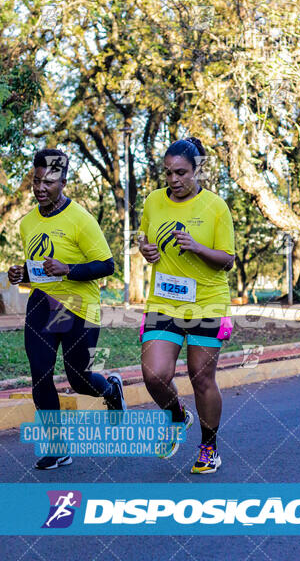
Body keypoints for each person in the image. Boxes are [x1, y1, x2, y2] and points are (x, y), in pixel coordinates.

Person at [8, 149, 125, 470]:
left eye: (49, 181)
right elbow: (39, 268)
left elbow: (107, 265)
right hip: (42, 306)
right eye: (36, 180)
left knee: (78, 379)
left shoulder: (81, 219)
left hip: (79, 309)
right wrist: (21, 273)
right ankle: (57, 447)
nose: (41, 187)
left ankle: (111, 389)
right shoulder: (28, 221)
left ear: (64, 182)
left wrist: (69, 269)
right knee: (40, 374)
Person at [138, 137, 235, 474]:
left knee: (201, 376)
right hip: (164, 301)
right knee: (154, 374)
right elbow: (146, 238)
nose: (174, 180)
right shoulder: (153, 201)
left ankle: (209, 447)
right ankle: (177, 415)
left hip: (207, 302)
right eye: (168, 174)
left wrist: (196, 247)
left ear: (197, 172)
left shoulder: (215, 207)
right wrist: (145, 249)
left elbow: (227, 260)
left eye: (181, 173)